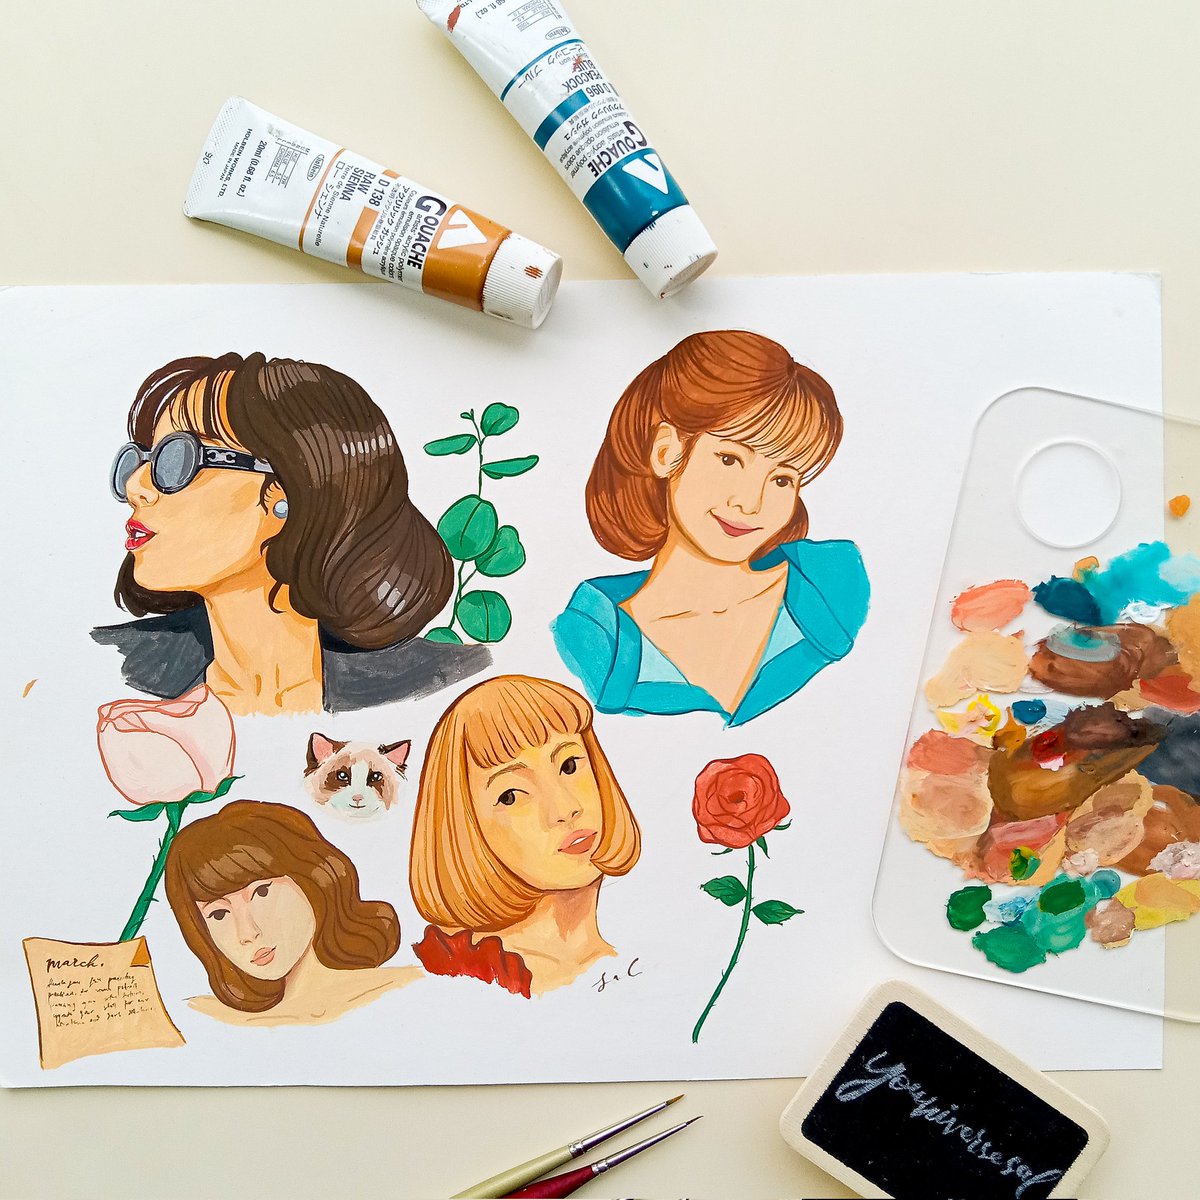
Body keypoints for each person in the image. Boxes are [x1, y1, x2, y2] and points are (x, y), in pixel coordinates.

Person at [92, 353, 490, 716]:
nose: (135, 486)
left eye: (176, 460)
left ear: (284, 494)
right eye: (138, 461)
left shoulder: (449, 684)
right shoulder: (113, 670)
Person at [552, 330, 870, 727]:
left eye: (782, 479)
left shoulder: (834, 590)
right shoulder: (597, 641)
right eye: (730, 460)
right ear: (666, 451)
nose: (750, 504)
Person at [409, 675, 641, 997]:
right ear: (464, 827)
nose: (565, 809)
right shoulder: (461, 978)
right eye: (511, 796)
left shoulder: (628, 964)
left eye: (569, 766)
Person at [165, 800, 419, 1025]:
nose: (249, 933)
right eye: (219, 914)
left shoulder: (402, 989)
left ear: (312, 880)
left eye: (262, 892)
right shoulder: (206, 1016)